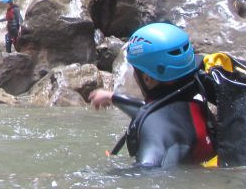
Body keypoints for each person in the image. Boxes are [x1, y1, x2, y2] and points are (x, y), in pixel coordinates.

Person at [88, 22, 214, 168]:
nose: (134, 75)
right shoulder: (194, 102)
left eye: (135, 70)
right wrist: (112, 97)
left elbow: (148, 174)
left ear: (148, 78)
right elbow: (151, 111)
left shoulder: (156, 127)